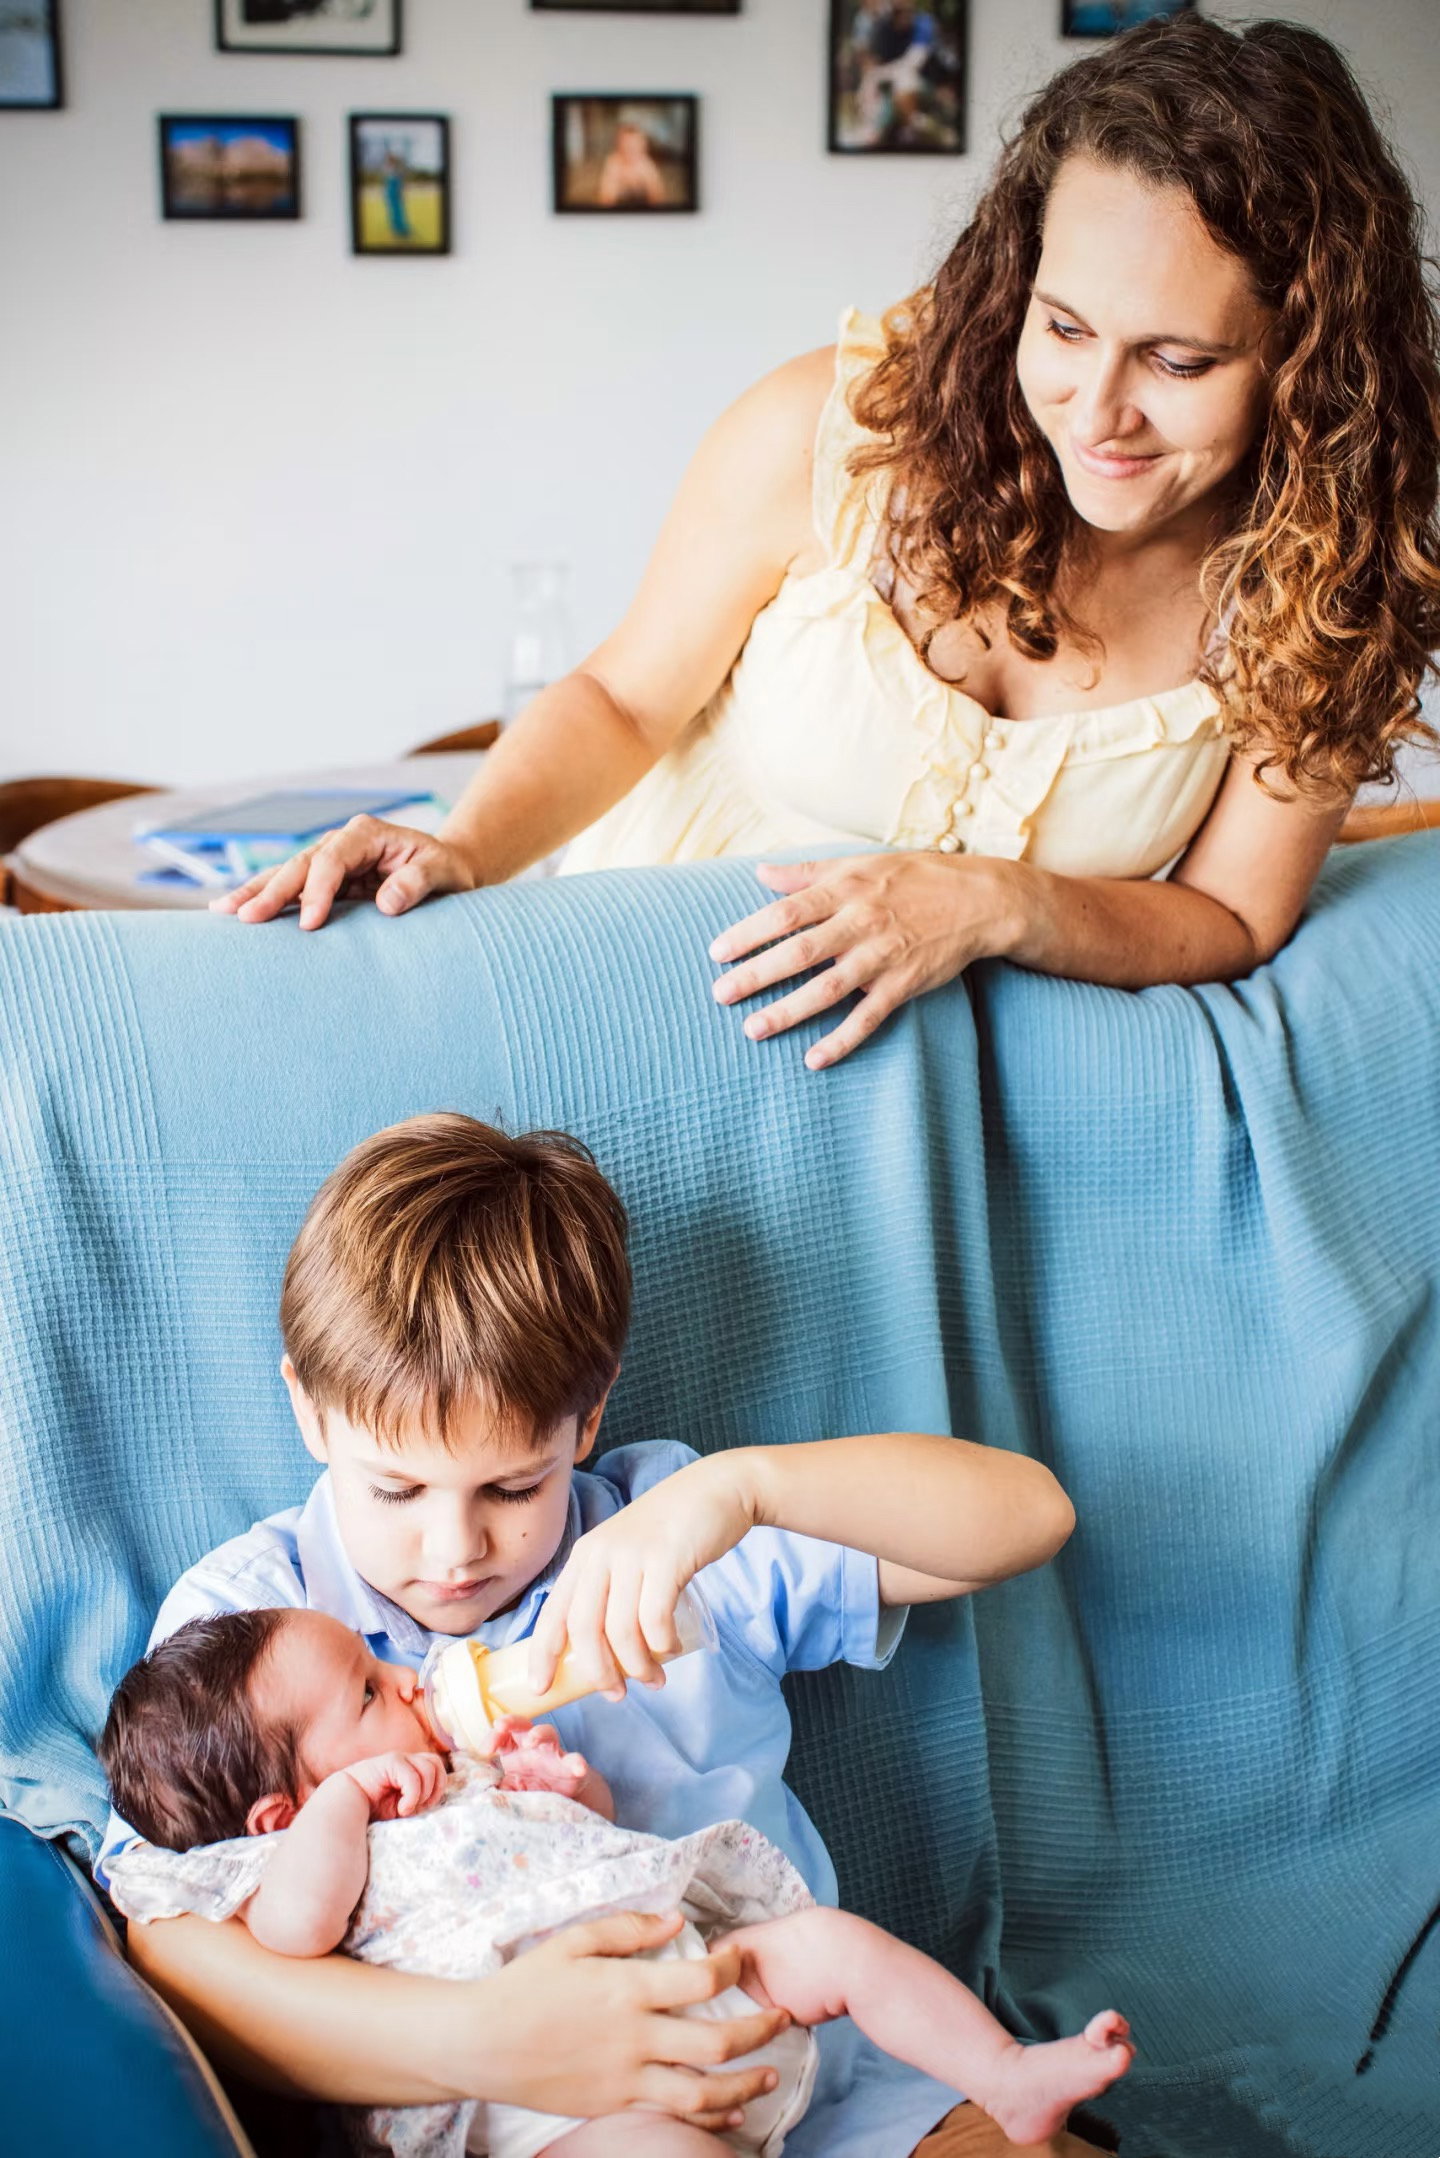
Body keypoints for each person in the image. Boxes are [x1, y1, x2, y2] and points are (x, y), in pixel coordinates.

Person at [216, 17, 1440, 1077]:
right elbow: (623, 699)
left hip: (934, 1144)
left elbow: (1230, 914)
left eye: (1180, 362)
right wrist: (463, 842)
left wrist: (1001, 904)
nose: (1098, 409)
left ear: (1308, 364)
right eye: (1063, 327)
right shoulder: (832, 432)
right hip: (611, 1015)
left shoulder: (1325, 576)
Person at [107, 1112, 1092, 2158]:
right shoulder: (248, 1632)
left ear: (585, 1421)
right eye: (395, 1487)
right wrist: (484, 2041)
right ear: (310, 1413)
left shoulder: (670, 1531)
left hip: (833, 2085)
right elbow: (175, 1953)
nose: (455, 1548)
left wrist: (742, 1490)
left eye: (513, 1485)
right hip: (539, 2122)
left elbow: (1032, 1517)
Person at [101, 1607, 1135, 2158]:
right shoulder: (281, 1861)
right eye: (369, 1691)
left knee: (833, 1944)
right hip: (551, 2118)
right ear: (278, 1811)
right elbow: (292, 1930)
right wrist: (347, 1804)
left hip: (694, 1974)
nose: (410, 1677)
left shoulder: (457, 1776)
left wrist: (561, 1785)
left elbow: (588, 1848)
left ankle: (1001, 2072)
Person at [596, 121, 667, 210]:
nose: (631, 151)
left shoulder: (646, 164)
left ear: (643, 148)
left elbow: (657, 192)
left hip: (641, 200)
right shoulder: (613, 162)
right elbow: (605, 195)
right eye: (626, 146)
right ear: (618, 147)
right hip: (620, 200)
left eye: (636, 146)